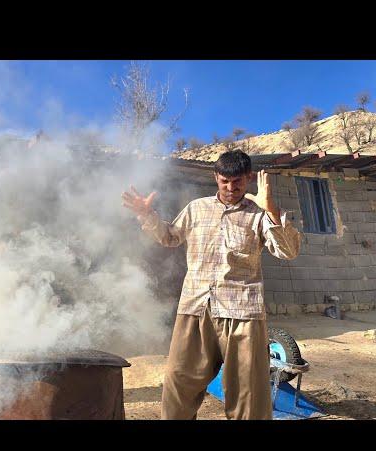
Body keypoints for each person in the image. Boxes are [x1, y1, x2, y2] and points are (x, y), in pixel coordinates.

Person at [121, 149, 301, 420]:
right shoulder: (196, 209)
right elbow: (169, 237)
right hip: (196, 307)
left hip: (243, 313)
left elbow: (288, 251)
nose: (231, 188)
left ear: (249, 178)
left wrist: (272, 208)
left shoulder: (259, 214)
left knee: (247, 394)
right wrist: (147, 215)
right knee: (178, 383)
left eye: (238, 181)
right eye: (225, 181)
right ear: (215, 177)